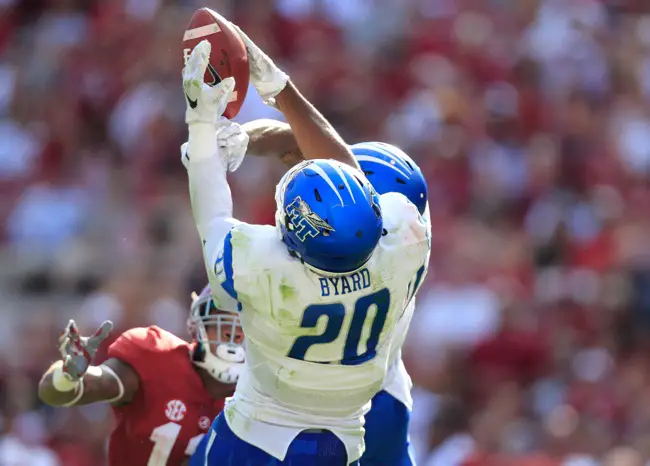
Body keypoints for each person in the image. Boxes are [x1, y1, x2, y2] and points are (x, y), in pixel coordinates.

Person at [181, 22, 430, 466]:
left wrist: (203, 129)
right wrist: (276, 93)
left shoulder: (266, 268)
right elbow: (336, 165)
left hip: (260, 431)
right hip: (348, 427)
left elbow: (213, 216)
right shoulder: (408, 243)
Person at [243, 124, 430, 466]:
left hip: (330, 416)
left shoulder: (329, 262)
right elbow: (296, 140)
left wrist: (218, 145)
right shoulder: (411, 240)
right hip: (387, 395)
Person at [37, 285, 245, 466]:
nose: (233, 335)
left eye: (245, 327)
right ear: (200, 326)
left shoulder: (265, 396)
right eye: (223, 323)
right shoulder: (158, 358)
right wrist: (68, 375)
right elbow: (61, 391)